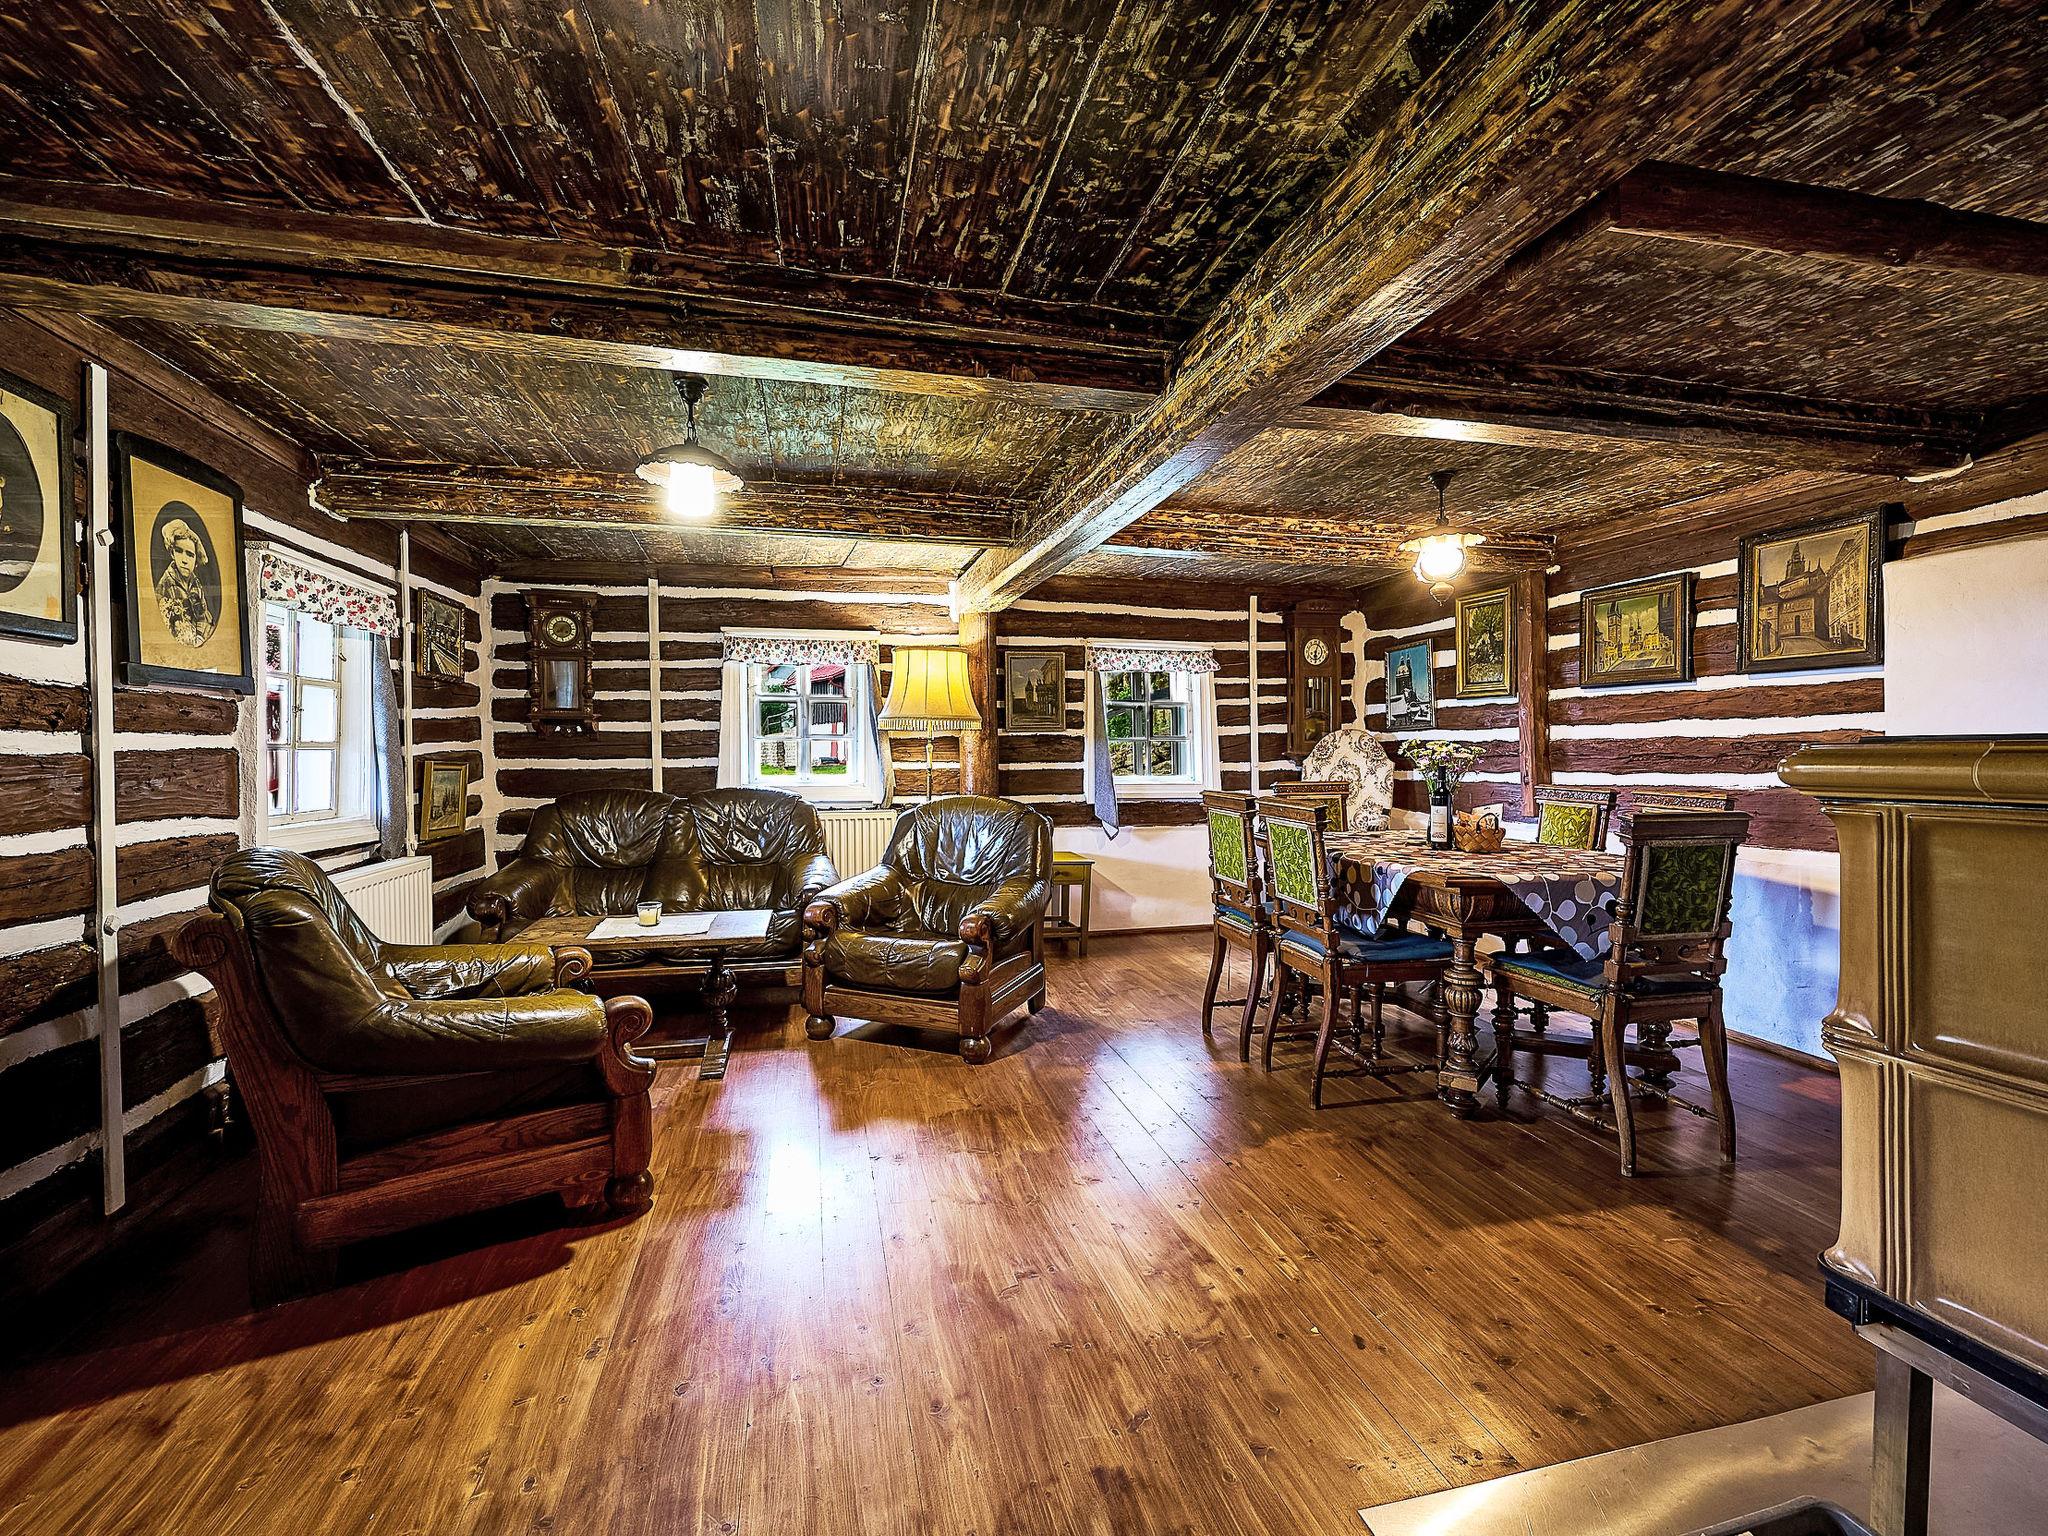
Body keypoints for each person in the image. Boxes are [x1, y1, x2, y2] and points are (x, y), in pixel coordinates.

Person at [155, 514, 215, 648]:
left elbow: (203, 615)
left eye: (190, 555)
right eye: (179, 551)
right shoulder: (166, 584)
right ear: (172, 553)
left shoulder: (196, 584)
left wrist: (200, 635)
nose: (184, 560)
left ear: (196, 561)